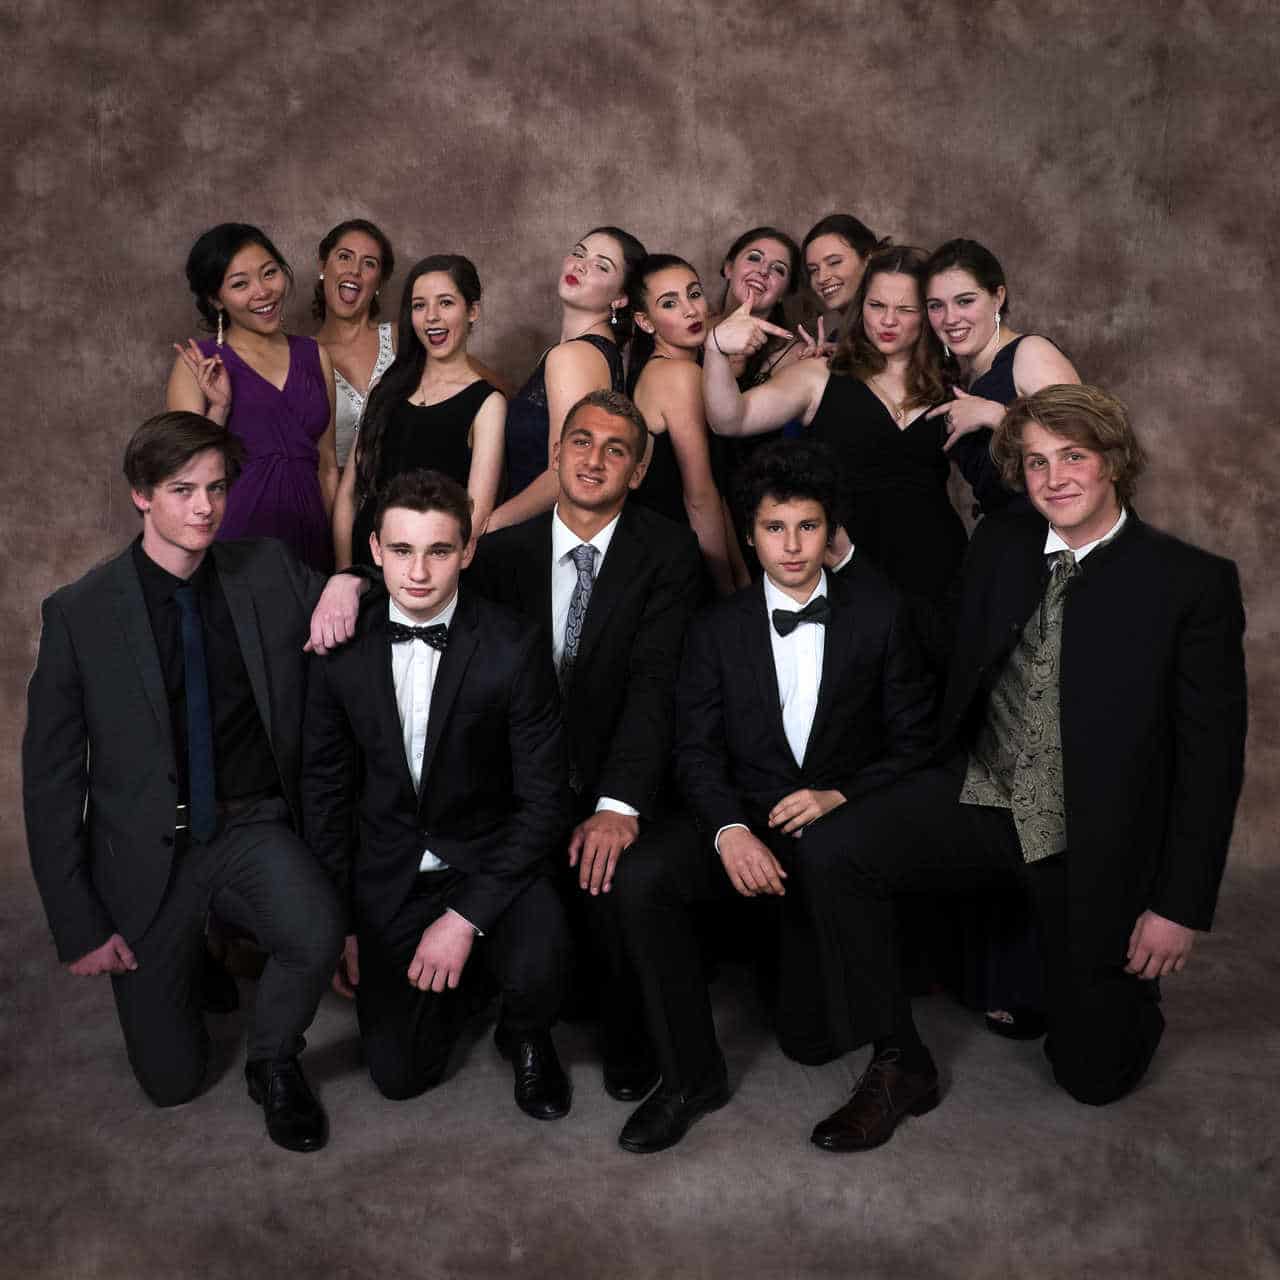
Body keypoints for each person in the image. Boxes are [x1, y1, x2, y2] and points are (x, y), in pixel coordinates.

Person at [796, 384, 1247, 1153]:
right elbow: (942, 641)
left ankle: (1098, 989)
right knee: (834, 849)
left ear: (1113, 462)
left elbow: (1211, 763)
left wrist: (1179, 906)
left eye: (1073, 456)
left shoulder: (1189, 583)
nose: (1054, 478)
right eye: (1036, 462)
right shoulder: (1002, 543)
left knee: (1094, 1076)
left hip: (1091, 837)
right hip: (984, 796)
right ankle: (900, 1060)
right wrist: (849, 561)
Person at [23, 412, 370, 1153]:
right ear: (141, 495)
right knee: (171, 1082)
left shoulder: (266, 570)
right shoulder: (80, 613)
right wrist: (78, 924)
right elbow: (50, 781)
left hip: (250, 825)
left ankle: (274, 1061)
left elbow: (360, 597)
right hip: (148, 851)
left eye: (216, 488)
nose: (205, 507)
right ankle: (194, 959)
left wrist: (347, 583)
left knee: (314, 931)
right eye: (183, 490)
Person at [610, 439, 936, 1153]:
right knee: (643, 876)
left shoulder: (880, 615)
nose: (791, 546)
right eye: (774, 528)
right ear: (750, 534)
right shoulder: (714, 627)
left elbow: (917, 744)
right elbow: (694, 750)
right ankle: (690, 1077)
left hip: (836, 836)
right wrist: (728, 830)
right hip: (743, 821)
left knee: (808, 1041)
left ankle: (889, 1050)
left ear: (831, 531)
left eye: (808, 527)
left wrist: (840, 794)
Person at [303, 469, 573, 1119]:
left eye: (439, 550)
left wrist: (463, 920)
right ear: (375, 550)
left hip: (489, 859)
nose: (419, 572)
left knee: (544, 950)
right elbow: (326, 792)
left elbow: (545, 802)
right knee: (399, 1077)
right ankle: (467, 984)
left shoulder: (513, 644)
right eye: (401, 550)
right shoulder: (339, 647)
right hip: (392, 869)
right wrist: (342, 921)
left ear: (468, 551)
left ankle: (525, 1030)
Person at [469, 389, 705, 1104]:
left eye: (615, 449)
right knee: (531, 900)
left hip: (614, 771)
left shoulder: (667, 552)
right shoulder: (502, 555)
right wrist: (348, 587)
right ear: (556, 452)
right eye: (581, 441)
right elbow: (421, 591)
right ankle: (527, 1029)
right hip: (522, 782)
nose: (594, 459)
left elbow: (655, 684)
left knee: (618, 884)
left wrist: (618, 803)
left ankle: (625, 1029)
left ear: (638, 470)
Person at [703, 246, 967, 620]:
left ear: (928, 313)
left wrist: (996, 414)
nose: (888, 320)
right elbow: (730, 420)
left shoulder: (950, 383)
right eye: (876, 305)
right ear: (861, 307)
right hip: (845, 571)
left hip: (936, 573)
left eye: (906, 309)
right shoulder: (821, 375)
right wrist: (715, 348)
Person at [167, 223, 339, 571]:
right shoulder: (197, 364)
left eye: (269, 273)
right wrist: (220, 408)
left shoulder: (314, 355)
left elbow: (327, 466)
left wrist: (337, 558)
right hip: (235, 545)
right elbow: (184, 476)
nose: (262, 292)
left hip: (312, 544)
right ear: (216, 299)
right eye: (240, 284)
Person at [332, 255, 505, 568]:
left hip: (429, 572)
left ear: (472, 311)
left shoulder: (488, 403)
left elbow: (476, 514)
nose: (432, 317)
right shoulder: (386, 387)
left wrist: (422, 574)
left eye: (446, 303)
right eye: (419, 305)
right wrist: (345, 573)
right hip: (366, 564)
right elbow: (348, 495)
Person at [487, 227, 646, 531]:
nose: (581, 266)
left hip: (539, 533)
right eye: (578, 253)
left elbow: (562, 476)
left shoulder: (573, 356)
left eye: (601, 266)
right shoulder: (580, 352)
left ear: (621, 298)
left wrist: (487, 528)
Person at [923, 238, 1081, 514]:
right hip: (1008, 532)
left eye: (965, 301)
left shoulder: (1030, 352)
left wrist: (996, 415)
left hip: (1057, 531)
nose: (949, 318)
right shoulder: (967, 379)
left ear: (998, 298)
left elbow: (1084, 445)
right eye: (936, 305)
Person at [628, 254, 742, 595]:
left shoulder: (684, 370)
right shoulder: (677, 375)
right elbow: (699, 496)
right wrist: (726, 587)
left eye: (694, 294)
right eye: (669, 303)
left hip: (679, 549)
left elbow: (715, 492)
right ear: (645, 322)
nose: (690, 310)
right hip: (675, 562)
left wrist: (740, 576)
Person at [311, 218, 398, 469]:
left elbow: (473, 385)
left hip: (409, 490)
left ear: (379, 282)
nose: (355, 270)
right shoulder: (300, 355)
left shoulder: (401, 337)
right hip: (331, 491)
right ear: (323, 266)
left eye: (369, 263)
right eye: (344, 257)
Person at [799, 212, 882, 354]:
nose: (821, 278)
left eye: (834, 262)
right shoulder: (836, 340)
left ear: (868, 260)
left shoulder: (891, 325)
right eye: (813, 270)